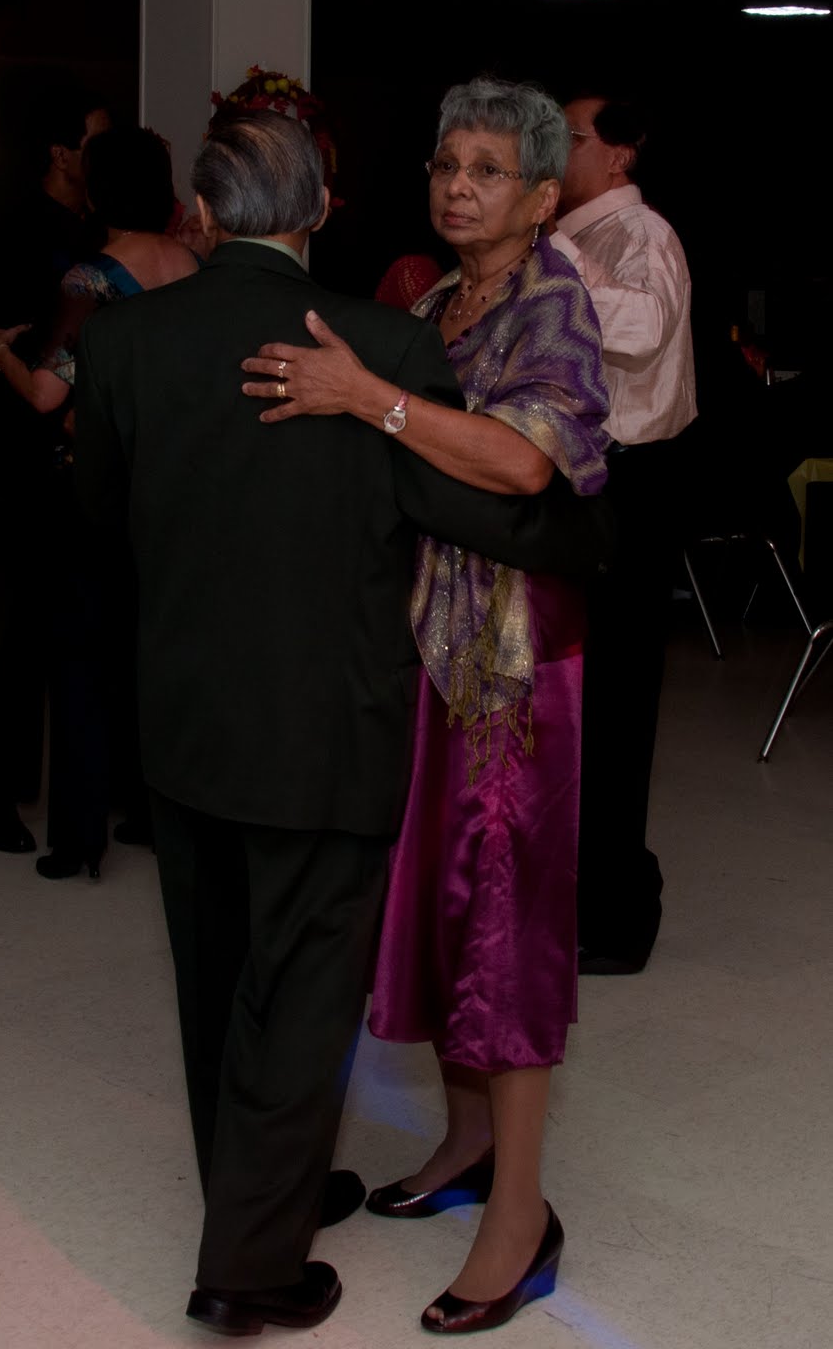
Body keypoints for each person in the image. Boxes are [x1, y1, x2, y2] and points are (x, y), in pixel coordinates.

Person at [74, 108, 612, 1336]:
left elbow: (98, 522)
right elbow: (473, 508)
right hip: (328, 719)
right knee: (298, 986)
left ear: (197, 213)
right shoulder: (380, 341)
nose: (456, 184)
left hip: (185, 715)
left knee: (213, 972)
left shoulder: (120, 339)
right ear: (320, 210)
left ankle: (255, 1192)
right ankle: (248, 1265)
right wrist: (586, 537)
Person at [247, 80, 610, 1334]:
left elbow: (522, 458)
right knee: (445, 901)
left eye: (486, 170)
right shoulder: (428, 299)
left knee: (506, 919)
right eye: (445, 163)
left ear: (541, 196)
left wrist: (372, 400)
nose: (457, 185)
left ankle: (520, 1210)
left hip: (511, 658)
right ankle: (462, 1145)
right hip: (427, 638)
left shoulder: (552, 301)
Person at [0, 127, 197, 878]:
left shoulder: (91, 279)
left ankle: (76, 839)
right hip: (166, 486)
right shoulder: (193, 268)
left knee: (73, 652)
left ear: (98, 194)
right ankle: (150, 811)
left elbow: (47, 393)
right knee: (146, 647)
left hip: (92, 485)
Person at [557, 93, 696, 976]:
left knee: (617, 703)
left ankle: (618, 918)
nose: (555, 150)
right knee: (583, 700)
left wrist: (558, 256)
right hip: (589, 482)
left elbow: (641, 333)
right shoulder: (581, 235)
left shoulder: (639, 233)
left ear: (621, 154)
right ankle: (586, 896)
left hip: (634, 484)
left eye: (571, 137)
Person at [0, 87, 111, 855]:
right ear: (60, 153)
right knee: (32, 623)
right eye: (94, 143)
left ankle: (71, 788)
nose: (102, 158)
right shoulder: (21, 231)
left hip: (89, 448)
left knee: (79, 622)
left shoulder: (99, 231)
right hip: (32, 443)